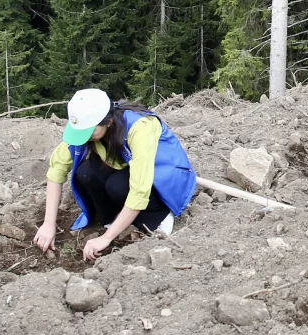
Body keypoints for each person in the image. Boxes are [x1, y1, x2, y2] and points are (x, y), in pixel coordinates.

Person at [34, 89, 197, 262]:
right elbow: (56, 170)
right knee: (86, 173)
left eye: (88, 132)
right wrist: (48, 223)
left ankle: (159, 217)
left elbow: (139, 190)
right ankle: (112, 221)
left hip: (165, 176)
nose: (84, 137)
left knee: (118, 186)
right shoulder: (85, 130)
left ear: (108, 121)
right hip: (124, 165)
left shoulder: (140, 127)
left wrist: (105, 239)